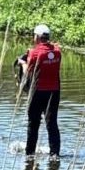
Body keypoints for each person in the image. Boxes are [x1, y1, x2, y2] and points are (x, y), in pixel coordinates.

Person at [18, 24, 62, 158]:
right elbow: (53, 49)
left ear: (36, 37)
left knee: (33, 123)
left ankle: (30, 154)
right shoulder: (58, 52)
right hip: (54, 92)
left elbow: (27, 73)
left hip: (37, 92)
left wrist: (22, 63)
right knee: (52, 124)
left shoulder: (34, 53)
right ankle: (55, 155)